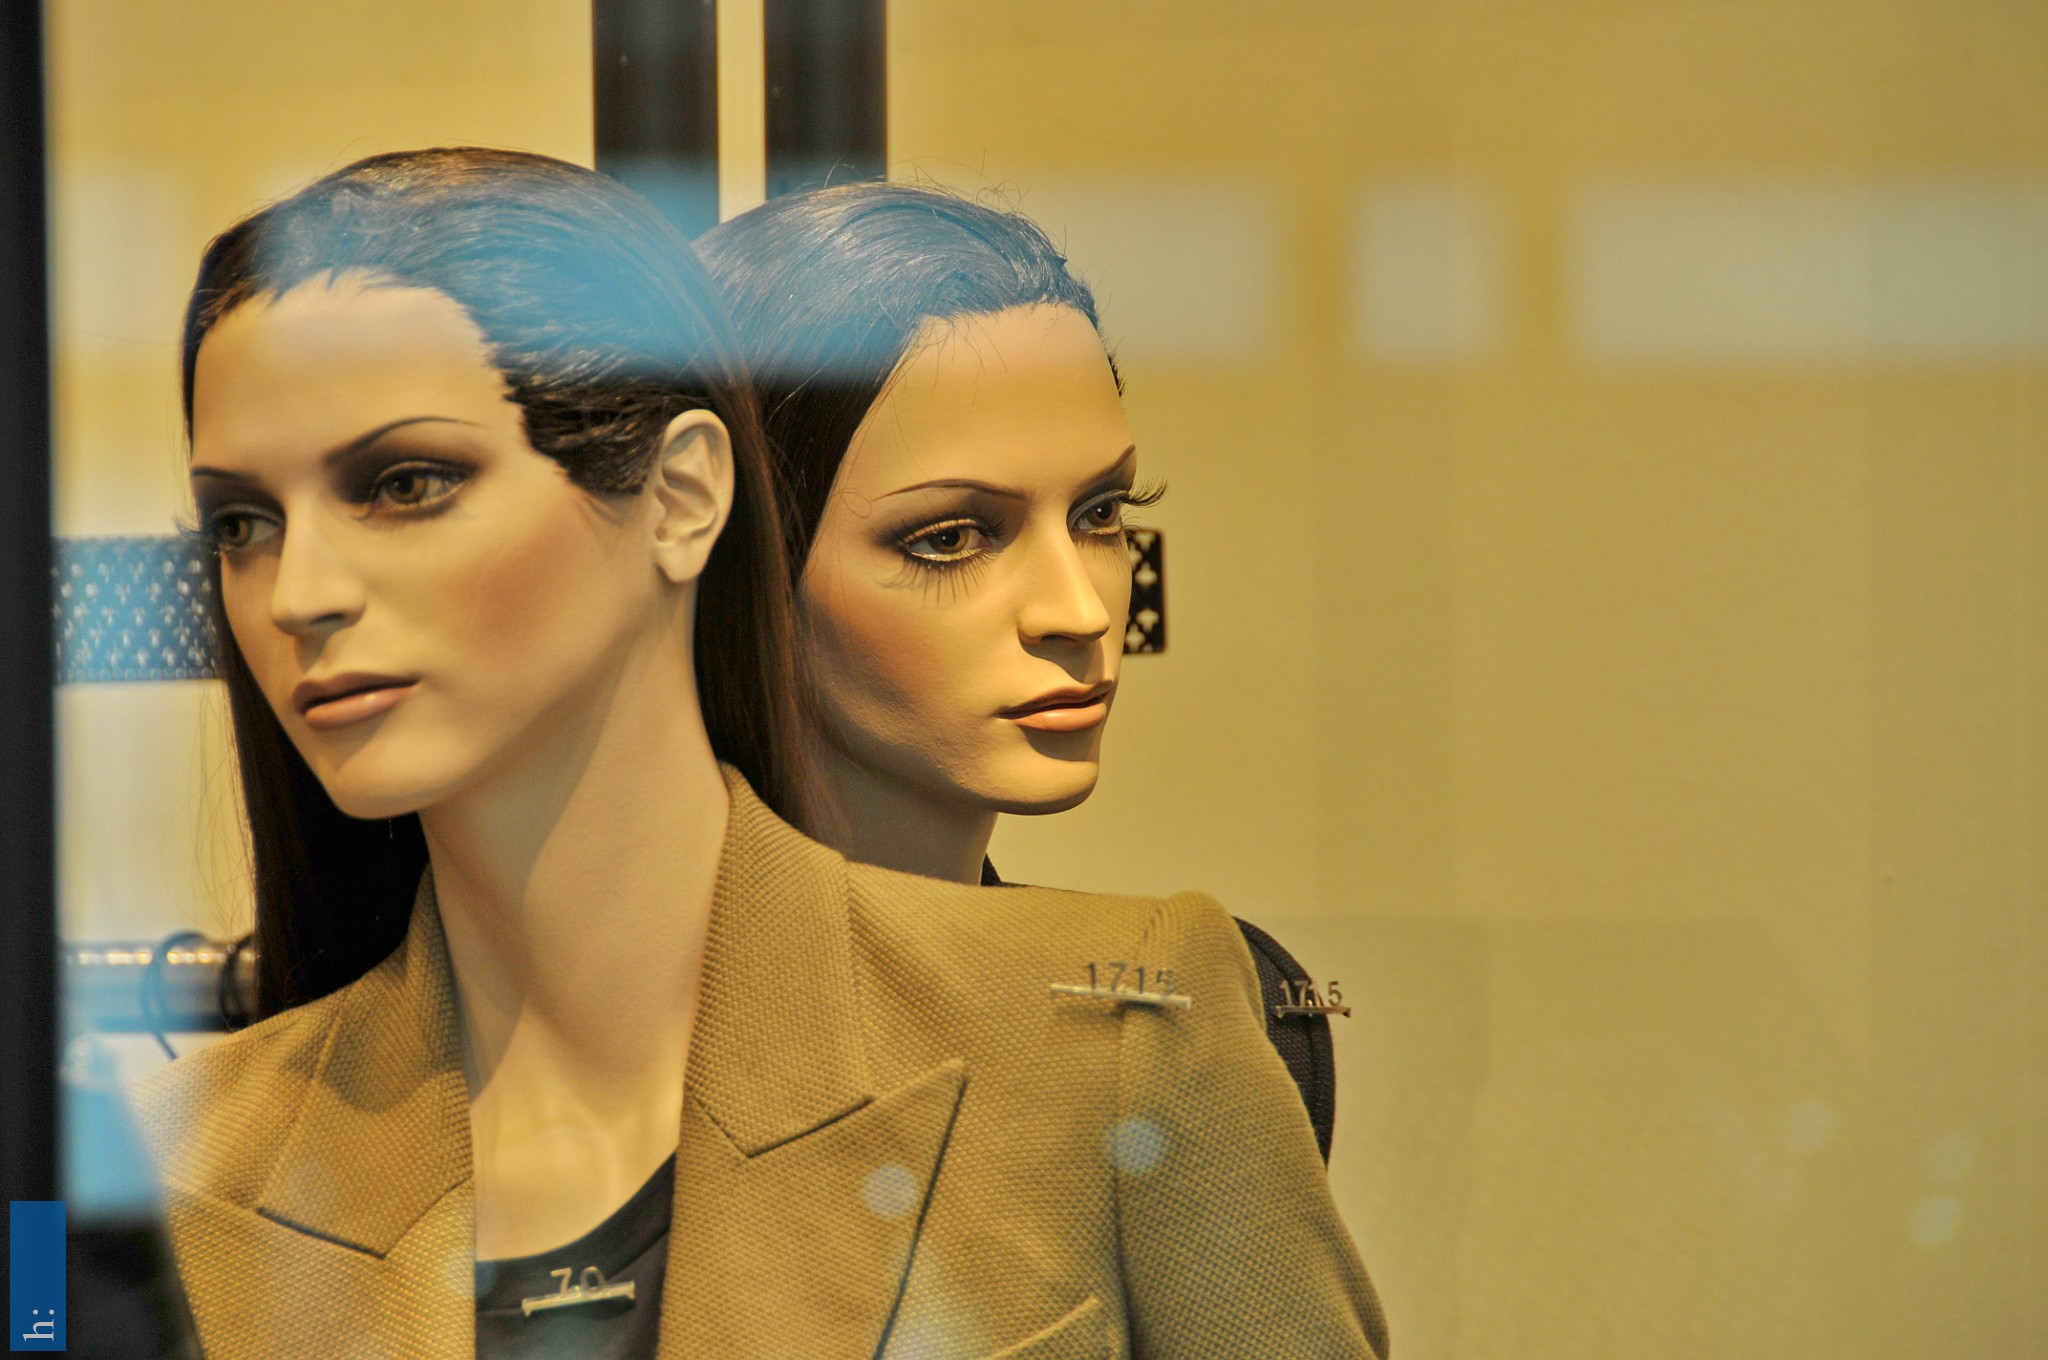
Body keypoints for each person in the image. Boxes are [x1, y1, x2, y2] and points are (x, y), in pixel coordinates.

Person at [132, 149, 1388, 1360]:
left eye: (407, 484)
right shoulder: (139, 1163)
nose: (299, 592)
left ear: (686, 497)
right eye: (239, 522)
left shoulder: (1118, 1032)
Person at [697, 183, 1339, 1160]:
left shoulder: (1208, 1023)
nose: (1080, 613)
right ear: (739, 569)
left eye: (1101, 513)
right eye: (950, 537)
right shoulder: (577, 1047)